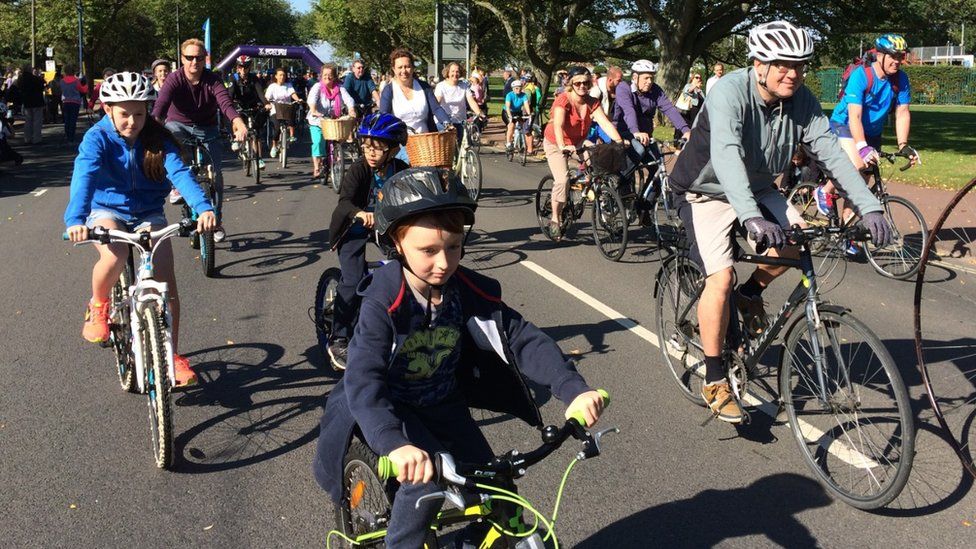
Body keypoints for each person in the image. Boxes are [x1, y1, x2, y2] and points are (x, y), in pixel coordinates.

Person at [312, 166, 606, 547]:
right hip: (395, 409)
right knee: (424, 486)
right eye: (428, 251)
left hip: (444, 404)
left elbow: (521, 337)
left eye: (453, 246)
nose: (444, 262)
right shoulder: (383, 300)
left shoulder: (463, 289)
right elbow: (364, 377)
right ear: (397, 243)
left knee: (497, 488)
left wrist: (572, 388)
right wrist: (394, 443)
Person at [668, 21, 893, 423]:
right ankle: (715, 377)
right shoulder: (728, 92)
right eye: (783, 65)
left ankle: (750, 293)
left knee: (798, 242)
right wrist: (752, 217)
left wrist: (869, 206)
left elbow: (831, 154)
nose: (793, 73)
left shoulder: (802, 101)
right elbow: (727, 155)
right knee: (720, 278)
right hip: (704, 191)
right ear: (759, 65)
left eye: (800, 65)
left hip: (757, 188)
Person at [63, 72, 216, 387]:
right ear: (108, 109)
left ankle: (171, 355)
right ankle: (98, 305)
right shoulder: (96, 138)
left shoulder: (157, 137)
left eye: (139, 114)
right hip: (106, 209)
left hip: (147, 211)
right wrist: (76, 219)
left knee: (165, 281)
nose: (132, 121)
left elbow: (180, 173)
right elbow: (85, 176)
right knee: (115, 254)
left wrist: (203, 207)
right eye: (124, 114)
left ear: (148, 111)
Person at [818, 33, 920, 257]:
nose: (897, 61)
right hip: (844, 124)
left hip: (872, 132)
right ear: (880, 55)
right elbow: (854, 116)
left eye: (901, 57)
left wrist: (903, 145)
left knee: (862, 185)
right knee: (857, 165)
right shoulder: (861, 75)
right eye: (893, 56)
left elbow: (903, 112)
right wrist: (862, 147)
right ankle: (824, 190)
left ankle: (846, 233)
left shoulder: (900, 80)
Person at [325, 113, 409, 369]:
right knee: (352, 280)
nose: (371, 152)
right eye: (367, 146)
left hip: (385, 228)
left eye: (379, 147)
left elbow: (413, 194)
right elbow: (345, 202)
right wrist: (360, 213)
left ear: (393, 149)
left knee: (407, 267)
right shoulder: (358, 169)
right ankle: (338, 337)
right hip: (353, 227)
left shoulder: (400, 170)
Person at [153, 38, 247, 243]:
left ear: (205, 59)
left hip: (207, 128)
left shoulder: (213, 79)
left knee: (216, 175)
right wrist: (152, 128)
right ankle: (178, 185)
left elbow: (225, 102)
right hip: (179, 124)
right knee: (171, 135)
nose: (194, 62)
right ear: (182, 59)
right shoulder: (174, 79)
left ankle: (216, 219)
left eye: (199, 57)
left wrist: (237, 121)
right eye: (189, 57)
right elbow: (160, 106)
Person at [543, 66, 625, 240]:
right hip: (556, 143)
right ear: (571, 84)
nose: (582, 86)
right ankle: (555, 219)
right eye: (578, 83)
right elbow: (558, 125)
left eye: (586, 83)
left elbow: (605, 123)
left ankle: (600, 208)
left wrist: (619, 141)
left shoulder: (592, 102)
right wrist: (562, 145)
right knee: (562, 180)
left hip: (578, 142)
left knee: (600, 163)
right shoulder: (563, 100)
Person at [613, 60, 690, 181]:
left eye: (652, 78)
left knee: (658, 167)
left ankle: (649, 194)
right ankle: (617, 179)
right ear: (635, 77)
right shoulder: (623, 88)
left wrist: (686, 130)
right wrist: (635, 131)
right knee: (639, 150)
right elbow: (629, 111)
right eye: (646, 78)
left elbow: (669, 109)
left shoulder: (655, 90)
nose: (649, 81)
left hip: (645, 135)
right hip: (625, 132)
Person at [379, 48, 451, 137]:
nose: (404, 71)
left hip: (425, 139)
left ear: (413, 68)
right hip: (399, 140)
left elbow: (436, 108)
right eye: (400, 67)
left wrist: (447, 123)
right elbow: (384, 116)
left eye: (407, 67)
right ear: (394, 69)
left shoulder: (424, 87)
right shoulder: (389, 90)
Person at [308, 63, 355, 179]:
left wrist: (351, 110)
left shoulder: (340, 88)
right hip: (318, 120)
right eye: (325, 75)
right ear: (321, 76)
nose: (327, 77)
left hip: (333, 121)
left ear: (334, 77)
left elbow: (348, 99)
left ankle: (335, 157)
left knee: (338, 138)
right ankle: (317, 167)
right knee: (318, 142)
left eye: (330, 75)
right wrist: (313, 110)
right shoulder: (317, 87)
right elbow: (312, 98)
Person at [229, 60, 269, 170]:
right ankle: (236, 139)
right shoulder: (233, 78)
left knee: (255, 133)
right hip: (239, 105)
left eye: (245, 67)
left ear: (249, 68)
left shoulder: (253, 78)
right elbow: (230, 94)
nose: (243, 69)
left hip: (252, 105)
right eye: (240, 67)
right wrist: (230, 105)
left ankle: (259, 158)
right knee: (236, 118)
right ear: (237, 68)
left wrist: (266, 103)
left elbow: (260, 92)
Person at [433, 62, 484, 145]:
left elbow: (471, 101)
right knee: (446, 147)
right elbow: (436, 103)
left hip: (460, 121)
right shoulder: (441, 86)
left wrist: (479, 113)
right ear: (448, 73)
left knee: (459, 146)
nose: (455, 74)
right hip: (444, 122)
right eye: (452, 71)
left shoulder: (464, 86)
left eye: (457, 71)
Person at [264, 67, 301, 158]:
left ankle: (291, 135)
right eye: (280, 75)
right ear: (276, 76)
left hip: (286, 108)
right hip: (275, 109)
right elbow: (267, 97)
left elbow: (293, 94)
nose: (282, 77)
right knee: (277, 128)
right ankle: (274, 145)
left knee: (293, 114)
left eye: (284, 75)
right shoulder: (272, 86)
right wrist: (267, 103)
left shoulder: (288, 85)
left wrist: (298, 99)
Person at [588, 66, 623, 143]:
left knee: (612, 142)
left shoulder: (618, 91)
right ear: (610, 80)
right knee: (590, 144)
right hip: (593, 123)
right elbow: (589, 110)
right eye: (618, 81)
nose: (621, 83)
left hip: (607, 124)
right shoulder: (597, 90)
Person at [16, 64, 45, 145]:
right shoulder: (35, 79)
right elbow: (41, 86)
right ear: (29, 70)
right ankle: (36, 139)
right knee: (37, 121)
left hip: (27, 101)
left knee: (28, 121)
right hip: (36, 101)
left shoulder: (21, 79)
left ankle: (27, 138)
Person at [503, 78, 533, 154]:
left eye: (520, 88)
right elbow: (507, 107)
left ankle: (523, 144)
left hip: (518, 112)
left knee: (524, 126)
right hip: (508, 112)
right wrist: (510, 116)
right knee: (511, 125)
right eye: (516, 88)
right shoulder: (509, 95)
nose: (518, 90)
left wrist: (529, 114)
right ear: (513, 89)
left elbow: (526, 105)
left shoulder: (523, 95)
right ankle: (508, 143)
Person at [60, 64, 88, 143]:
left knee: (67, 119)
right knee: (73, 119)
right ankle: (71, 136)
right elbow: (83, 90)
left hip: (65, 102)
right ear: (73, 71)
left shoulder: (62, 81)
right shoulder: (76, 81)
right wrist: (86, 85)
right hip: (75, 102)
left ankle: (67, 134)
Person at [674, 72, 705, 139]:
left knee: (694, 127)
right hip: (688, 110)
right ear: (692, 78)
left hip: (697, 111)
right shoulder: (688, 85)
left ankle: (690, 141)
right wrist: (695, 86)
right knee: (684, 126)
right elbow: (688, 91)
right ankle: (678, 141)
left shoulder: (700, 90)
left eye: (700, 78)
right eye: (696, 77)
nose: (698, 79)